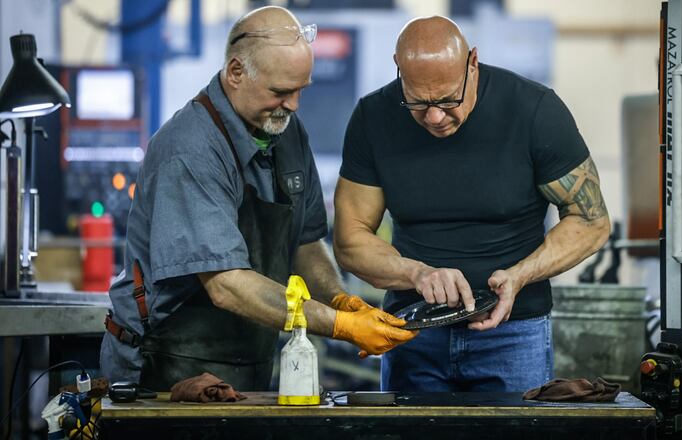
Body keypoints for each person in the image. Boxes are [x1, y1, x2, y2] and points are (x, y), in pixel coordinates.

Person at [100, 6, 416, 391]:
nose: (294, 105)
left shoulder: (284, 128)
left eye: (301, 90)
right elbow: (227, 283)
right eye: (281, 91)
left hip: (247, 359)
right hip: (163, 364)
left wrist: (338, 300)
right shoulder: (191, 149)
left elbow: (304, 241)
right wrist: (339, 327)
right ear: (235, 73)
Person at [333, 16, 610, 392]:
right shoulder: (373, 117)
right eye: (417, 101)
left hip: (514, 334)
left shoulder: (534, 110)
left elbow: (591, 220)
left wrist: (519, 276)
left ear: (473, 63)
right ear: (398, 68)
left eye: (448, 100)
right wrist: (418, 274)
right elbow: (350, 238)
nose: (434, 117)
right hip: (413, 332)